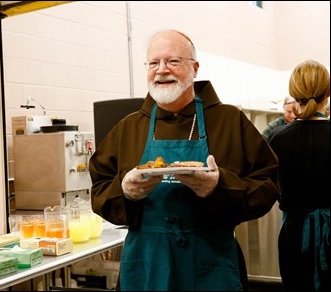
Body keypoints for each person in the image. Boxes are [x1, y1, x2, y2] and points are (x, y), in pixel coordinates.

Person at [89, 29, 280, 291]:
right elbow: (99, 188)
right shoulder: (128, 127)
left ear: (195, 68)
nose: (161, 70)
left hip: (210, 261)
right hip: (148, 265)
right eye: (153, 63)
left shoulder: (229, 121)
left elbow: (267, 183)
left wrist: (219, 187)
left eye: (173, 61)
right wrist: (125, 191)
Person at [268, 59, 330, 291]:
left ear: (294, 94)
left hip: (293, 233)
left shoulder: (277, 137)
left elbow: (272, 188)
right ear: (328, 91)